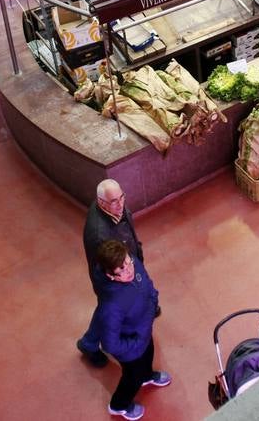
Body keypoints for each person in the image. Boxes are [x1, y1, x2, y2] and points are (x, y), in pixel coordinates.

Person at [94, 240, 168, 420]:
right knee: (131, 378)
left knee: (149, 353)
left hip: (144, 330)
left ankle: (147, 375)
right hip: (131, 347)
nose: (129, 270)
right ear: (111, 276)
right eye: (122, 271)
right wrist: (134, 344)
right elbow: (110, 344)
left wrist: (154, 299)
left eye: (128, 263)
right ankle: (119, 405)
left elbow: (146, 282)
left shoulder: (132, 261)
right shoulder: (111, 306)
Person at [77, 179, 147, 368]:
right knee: (109, 311)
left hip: (129, 261)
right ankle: (89, 343)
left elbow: (128, 231)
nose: (121, 204)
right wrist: (123, 281)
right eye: (114, 201)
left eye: (121, 197)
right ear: (102, 202)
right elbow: (108, 267)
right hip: (111, 279)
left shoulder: (112, 204)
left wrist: (137, 254)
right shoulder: (99, 235)